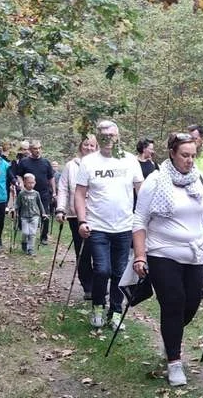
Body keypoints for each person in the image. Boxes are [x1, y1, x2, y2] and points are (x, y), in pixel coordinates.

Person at [133, 133, 203, 387]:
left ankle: (170, 341)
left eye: (193, 155)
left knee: (190, 303)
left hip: (195, 252)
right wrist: (140, 255)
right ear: (172, 153)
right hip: (162, 251)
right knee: (173, 302)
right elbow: (139, 220)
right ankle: (174, 363)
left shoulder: (200, 180)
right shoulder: (155, 181)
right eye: (185, 155)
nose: (190, 160)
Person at [75, 120, 144, 330]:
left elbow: (141, 191)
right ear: (98, 137)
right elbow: (79, 193)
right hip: (97, 226)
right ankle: (97, 306)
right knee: (102, 270)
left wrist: (145, 219)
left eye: (111, 134)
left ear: (118, 136)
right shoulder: (89, 162)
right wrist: (82, 220)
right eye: (103, 135)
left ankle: (115, 311)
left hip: (124, 227)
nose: (108, 138)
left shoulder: (130, 161)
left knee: (119, 272)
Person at [56, 135, 97, 299]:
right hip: (75, 215)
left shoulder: (101, 165)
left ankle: (99, 283)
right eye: (86, 145)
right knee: (83, 251)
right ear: (81, 146)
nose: (89, 148)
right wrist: (60, 208)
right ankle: (88, 286)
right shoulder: (71, 166)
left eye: (92, 145)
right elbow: (63, 188)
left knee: (98, 251)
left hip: (97, 215)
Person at [11, 140, 55, 246]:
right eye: (35, 148)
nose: (38, 150)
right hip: (28, 193)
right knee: (26, 214)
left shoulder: (46, 162)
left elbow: (51, 177)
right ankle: (26, 235)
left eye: (39, 148)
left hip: (43, 192)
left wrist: (54, 191)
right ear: (30, 150)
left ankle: (44, 236)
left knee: (45, 214)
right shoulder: (24, 162)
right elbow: (19, 175)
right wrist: (21, 185)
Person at [16, 174, 47, 255]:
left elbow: (40, 204)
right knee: (25, 233)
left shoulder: (36, 193)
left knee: (32, 233)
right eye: (29, 183)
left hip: (35, 215)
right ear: (25, 183)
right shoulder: (21, 193)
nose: (31, 184)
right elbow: (17, 204)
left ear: (35, 182)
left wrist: (43, 213)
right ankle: (24, 242)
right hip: (24, 216)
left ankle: (31, 249)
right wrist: (14, 210)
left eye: (32, 182)